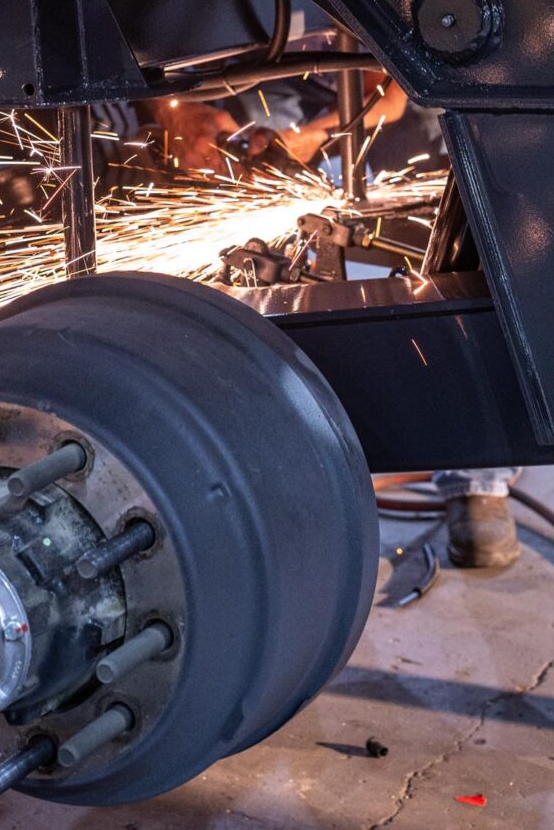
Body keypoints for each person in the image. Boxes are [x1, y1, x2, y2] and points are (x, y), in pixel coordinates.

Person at [151, 75, 521, 570]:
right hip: (269, 93)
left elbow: (392, 90)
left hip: (401, 102)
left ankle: (478, 482)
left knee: (469, 238)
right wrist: (178, 113)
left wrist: (319, 135)